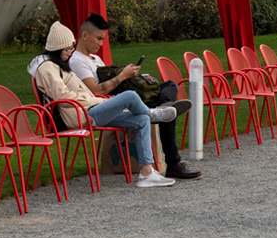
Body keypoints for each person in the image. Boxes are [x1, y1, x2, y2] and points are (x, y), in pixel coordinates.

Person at [32, 21, 176, 188]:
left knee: (141, 119)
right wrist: (100, 101)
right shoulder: (47, 68)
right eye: (67, 50)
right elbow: (63, 97)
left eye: (71, 49)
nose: (70, 53)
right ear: (57, 48)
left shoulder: (59, 65)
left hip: (88, 110)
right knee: (130, 95)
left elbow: (82, 94)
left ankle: (147, 173)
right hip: (80, 115)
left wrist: (101, 101)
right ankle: (152, 113)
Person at [67, 14, 199, 180]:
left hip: (120, 98)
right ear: (85, 35)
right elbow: (94, 91)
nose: (100, 44)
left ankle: (163, 108)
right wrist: (123, 75)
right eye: (98, 38)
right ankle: (172, 161)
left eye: (103, 39)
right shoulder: (78, 61)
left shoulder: (96, 59)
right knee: (163, 111)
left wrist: (130, 77)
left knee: (170, 87)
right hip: (107, 104)